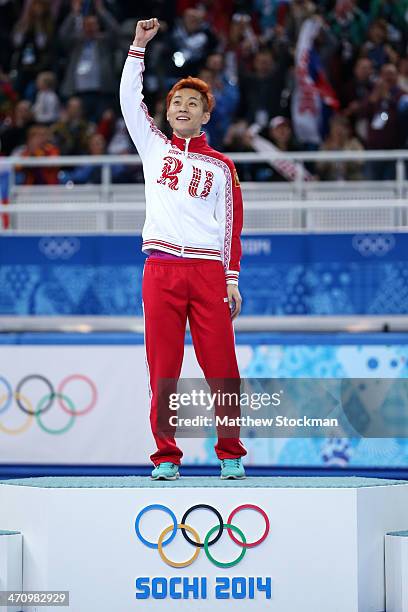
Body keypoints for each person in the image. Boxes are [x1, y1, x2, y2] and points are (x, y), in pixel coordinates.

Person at [120, 18, 247, 481]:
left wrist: (231, 279)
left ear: (205, 115)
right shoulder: (154, 149)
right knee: (164, 370)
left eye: (193, 103)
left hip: (208, 273)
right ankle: (166, 457)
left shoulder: (221, 167)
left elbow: (232, 226)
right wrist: (138, 47)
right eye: (176, 101)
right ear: (167, 110)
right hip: (161, 271)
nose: (182, 108)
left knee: (222, 368)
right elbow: (128, 103)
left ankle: (230, 453)